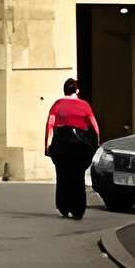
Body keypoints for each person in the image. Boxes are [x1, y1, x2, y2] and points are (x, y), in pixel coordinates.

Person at [44, 78, 101, 219]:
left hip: (61, 144)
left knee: (62, 176)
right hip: (79, 146)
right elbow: (94, 126)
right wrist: (95, 144)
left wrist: (47, 146)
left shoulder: (57, 105)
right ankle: (78, 209)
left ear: (64, 90)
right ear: (77, 90)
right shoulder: (85, 105)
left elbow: (50, 126)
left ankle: (63, 206)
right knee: (78, 177)